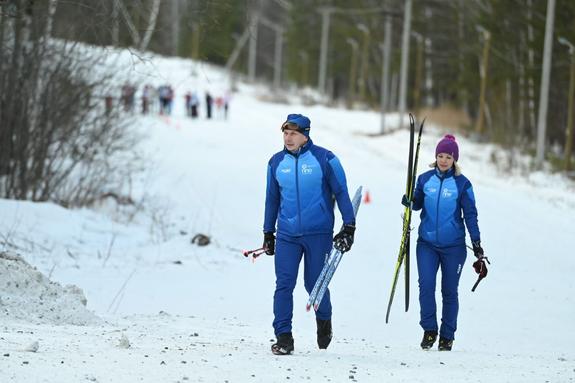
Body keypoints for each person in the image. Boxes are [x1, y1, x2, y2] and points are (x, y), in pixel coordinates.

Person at [262, 113, 356, 355]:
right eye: (285, 133)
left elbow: (343, 193)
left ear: (305, 135)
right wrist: (268, 232)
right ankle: (283, 337)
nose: (288, 137)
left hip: (318, 233)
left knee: (314, 284)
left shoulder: (325, 159)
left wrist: (349, 226)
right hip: (287, 234)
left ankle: (324, 318)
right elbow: (271, 200)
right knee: (284, 284)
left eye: (293, 133)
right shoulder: (275, 163)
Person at [404, 134, 485, 351]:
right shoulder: (424, 179)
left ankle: (447, 335)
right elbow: (417, 204)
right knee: (426, 286)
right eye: (440, 155)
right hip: (427, 244)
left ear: (454, 159)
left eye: (448, 156)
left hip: (454, 248)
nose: (443, 160)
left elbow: (470, 215)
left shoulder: (463, 184)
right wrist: (409, 200)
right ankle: (429, 330)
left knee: (449, 291)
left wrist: (476, 243)